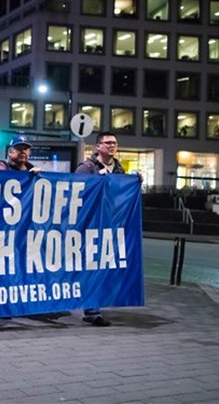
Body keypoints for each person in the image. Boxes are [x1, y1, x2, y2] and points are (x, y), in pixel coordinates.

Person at [74, 131, 142, 327]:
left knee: (105, 266)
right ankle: (91, 310)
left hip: (111, 226)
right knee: (92, 267)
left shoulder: (119, 169)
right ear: (98, 146)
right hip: (90, 227)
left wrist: (135, 183)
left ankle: (96, 305)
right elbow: (76, 193)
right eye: (107, 143)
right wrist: (95, 181)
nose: (112, 146)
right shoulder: (86, 168)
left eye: (114, 143)